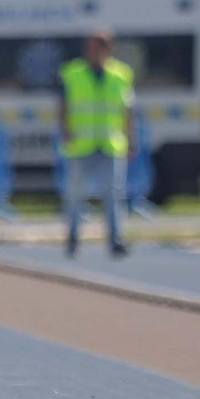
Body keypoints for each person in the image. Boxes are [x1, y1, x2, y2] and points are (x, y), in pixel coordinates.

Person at [58, 29, 135, 259]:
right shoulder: (72, 73)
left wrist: (130, 139)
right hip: (81, 144)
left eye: (100, 48)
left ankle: (115, 239)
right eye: (92, 48)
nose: (95, 53)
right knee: (75, 195)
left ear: (108, 50)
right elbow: (63, 106)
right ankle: (72, 237)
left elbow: (127, 110)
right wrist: (65, 131)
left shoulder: (121, 75)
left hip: (110, 144)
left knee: (113, 195)